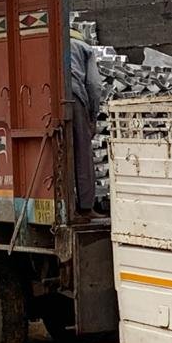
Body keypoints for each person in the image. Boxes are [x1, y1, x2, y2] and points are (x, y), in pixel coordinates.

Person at [70, 30, 103, 219]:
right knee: (82, 153)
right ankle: (84, 207)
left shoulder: (47, 44)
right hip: (74, 98)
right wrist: (93, 115)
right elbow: (94, 85)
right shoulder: (84, 48)